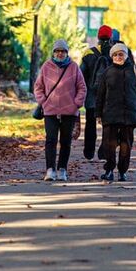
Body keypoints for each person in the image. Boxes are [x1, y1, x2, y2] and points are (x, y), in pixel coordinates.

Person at [34, 39, 86, 181]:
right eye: (57, 51)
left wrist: (76, 103)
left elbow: (82, 87)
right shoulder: (46, 67)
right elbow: (38, 87)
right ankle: (50, 170)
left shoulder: (74, 67)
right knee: (50, 140)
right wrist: (43, 102)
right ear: (53, 52)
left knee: (65, 141)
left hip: (69, 111)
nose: (60, 54)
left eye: (63, 51)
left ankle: (62, 169)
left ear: (67, 53)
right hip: (50, 111)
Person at [96, 42, 136, 182]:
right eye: (115, 55)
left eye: (121, 54)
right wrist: (98, 114)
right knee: (109, 144)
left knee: (126, 145)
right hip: (110, 114)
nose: (118, 57)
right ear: (111, 56)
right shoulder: (107, 72)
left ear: (126, 55)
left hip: (129, 114)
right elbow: (100, 94)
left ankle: (122, 171)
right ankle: (109, 170)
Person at [80, 25, 113, 160]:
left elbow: (81, 75)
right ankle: (103, 151)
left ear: (98, 37)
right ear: (110, 37)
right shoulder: (115, 53)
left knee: (90, 124)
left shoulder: (88, 53)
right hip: (109, 97)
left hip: (91, 96)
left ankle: (89, 151)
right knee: (107, 125)